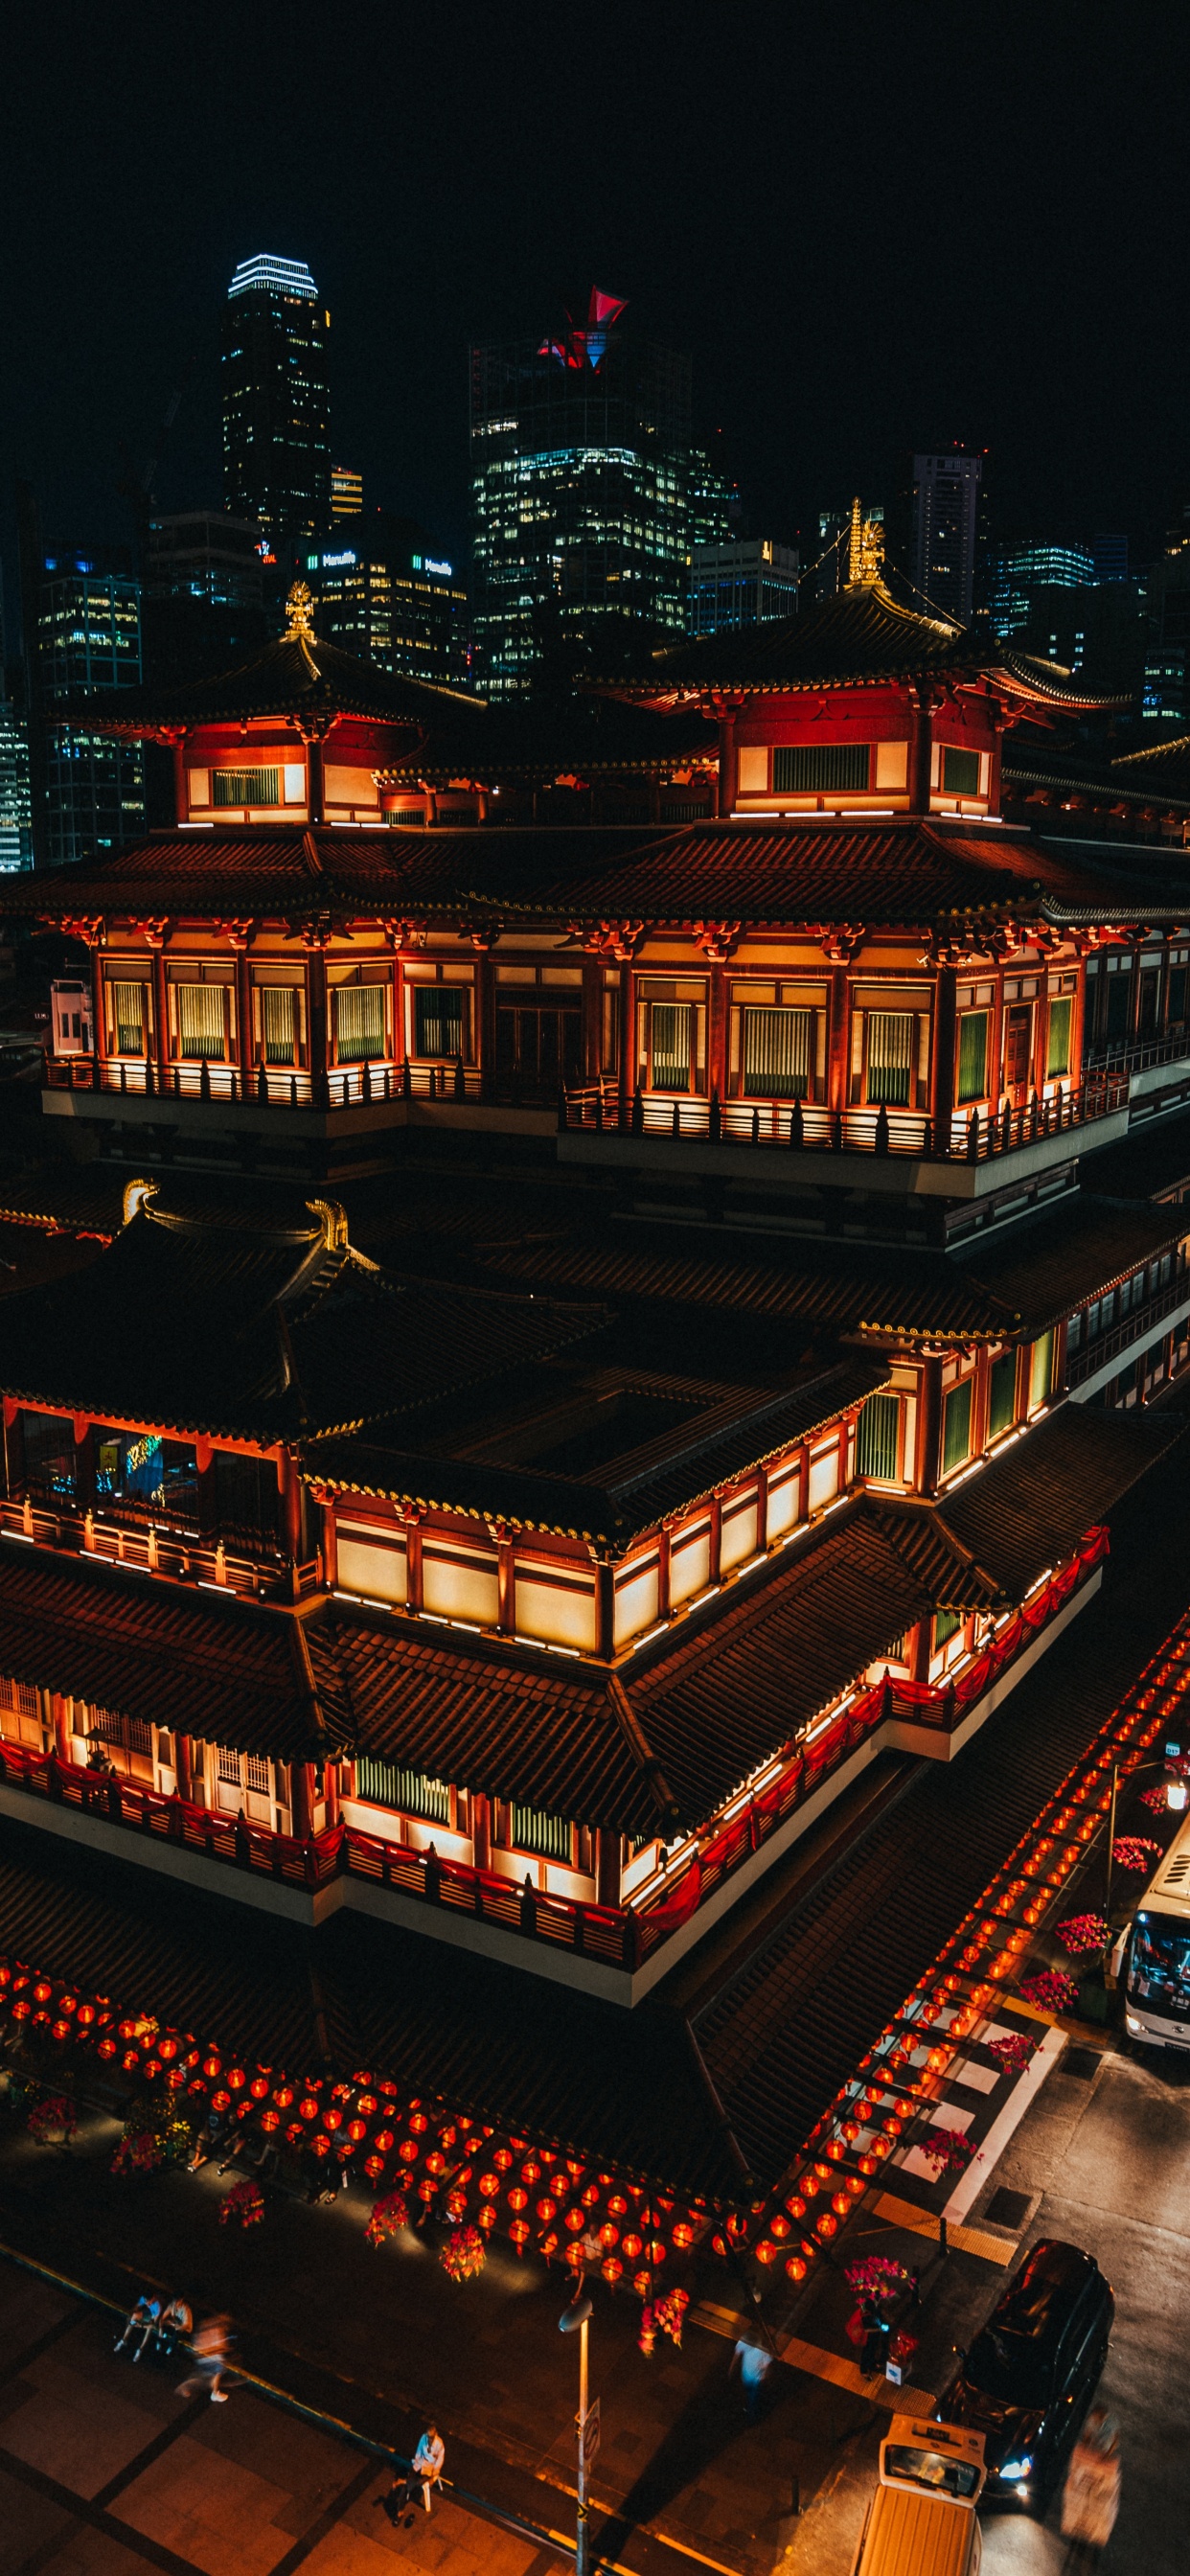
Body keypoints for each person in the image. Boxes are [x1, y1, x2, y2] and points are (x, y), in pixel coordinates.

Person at [1062, 2406, 1120, 2570]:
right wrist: (1086, 2450)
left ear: (1103, 2415)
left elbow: (1114, 2441)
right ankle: (1075, 2553)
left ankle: (1086, 2561)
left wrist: (1105, 2456)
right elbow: (1087, 2436)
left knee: (1093, 2530)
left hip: (1101, 2461)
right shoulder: (1092, 2421)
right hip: (1092, 2461)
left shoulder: (1112, 2422)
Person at [381, 2424, 446, 2519]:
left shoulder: (439, 2444)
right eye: (428, 2436)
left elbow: (439, 2462)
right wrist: (416, 2464)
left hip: (429, 2469)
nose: (430, 2439)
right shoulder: (423, 2438)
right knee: (406, 2487)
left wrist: (433, 2477)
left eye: (431, 2437)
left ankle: (402, 2481)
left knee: (419, 2481)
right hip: (420, 2464)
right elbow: (419, 2452)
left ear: (435, 2434)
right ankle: (400, 2510)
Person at [176, 2313, 232, 2404]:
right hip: (207, 2358)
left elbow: (199, 2343)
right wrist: (224, 2349)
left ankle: (186, 2386)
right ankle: (214, 2393)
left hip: (201, 2357)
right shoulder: (217, 2329)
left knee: (207, 2375)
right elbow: (218, 2347)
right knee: (218, 2369)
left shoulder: (206, 2326)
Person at [730, 2336, 774, 2425]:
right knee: (751, 2396)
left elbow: (766, 2367)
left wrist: (732, 2366)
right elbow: (766, 2367)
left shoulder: (751, 2344)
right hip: (753, 2378)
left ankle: (750, 2416)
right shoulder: (766, 2352)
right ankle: (750, 2415)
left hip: (750, 2377)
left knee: (751, 2396)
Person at [114, 2291, 161, 2360]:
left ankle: (140, 2349)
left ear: (153, 2298)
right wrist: (132, 2316)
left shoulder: (158, 2306)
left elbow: (153, 2325)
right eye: (146, 2302)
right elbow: (135, 2308)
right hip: (147, 2314)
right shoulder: (144, 2298)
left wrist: (141, 2326)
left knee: (149, 2328)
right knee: (133, 2316)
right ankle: (124, 2340)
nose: (147, 2304)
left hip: (155, 2319)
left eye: (149, 2302)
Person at [153, 2295, 194, 2365]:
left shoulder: (186, 2309)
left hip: (185, 2330)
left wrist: (174, 2325)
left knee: (177, 2333)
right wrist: (162, 2326)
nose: (176, 2303)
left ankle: (168, 2352)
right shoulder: (172, 2305)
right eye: (175, 2301)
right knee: (164, 2327)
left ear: (181, 2300)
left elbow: (185, 2325)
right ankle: (158, 2347)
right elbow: (162, 2318)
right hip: (175, 2326)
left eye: (178, 2301)